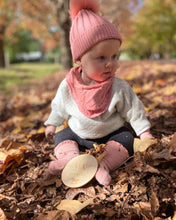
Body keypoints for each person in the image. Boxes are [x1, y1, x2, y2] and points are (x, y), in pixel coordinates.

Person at [44, 0, 153, 186]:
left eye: (114, 56)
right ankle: (70, 160)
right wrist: (52, 123)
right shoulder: (69, 85)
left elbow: (133, 109)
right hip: (78, 133)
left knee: (126, 139)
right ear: (80, 59)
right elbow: (59, 105)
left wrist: (144, 132)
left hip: (110, 133)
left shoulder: (118, 87)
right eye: (101, 57)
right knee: (63, 136)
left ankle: (104, 165)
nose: (110, 63)